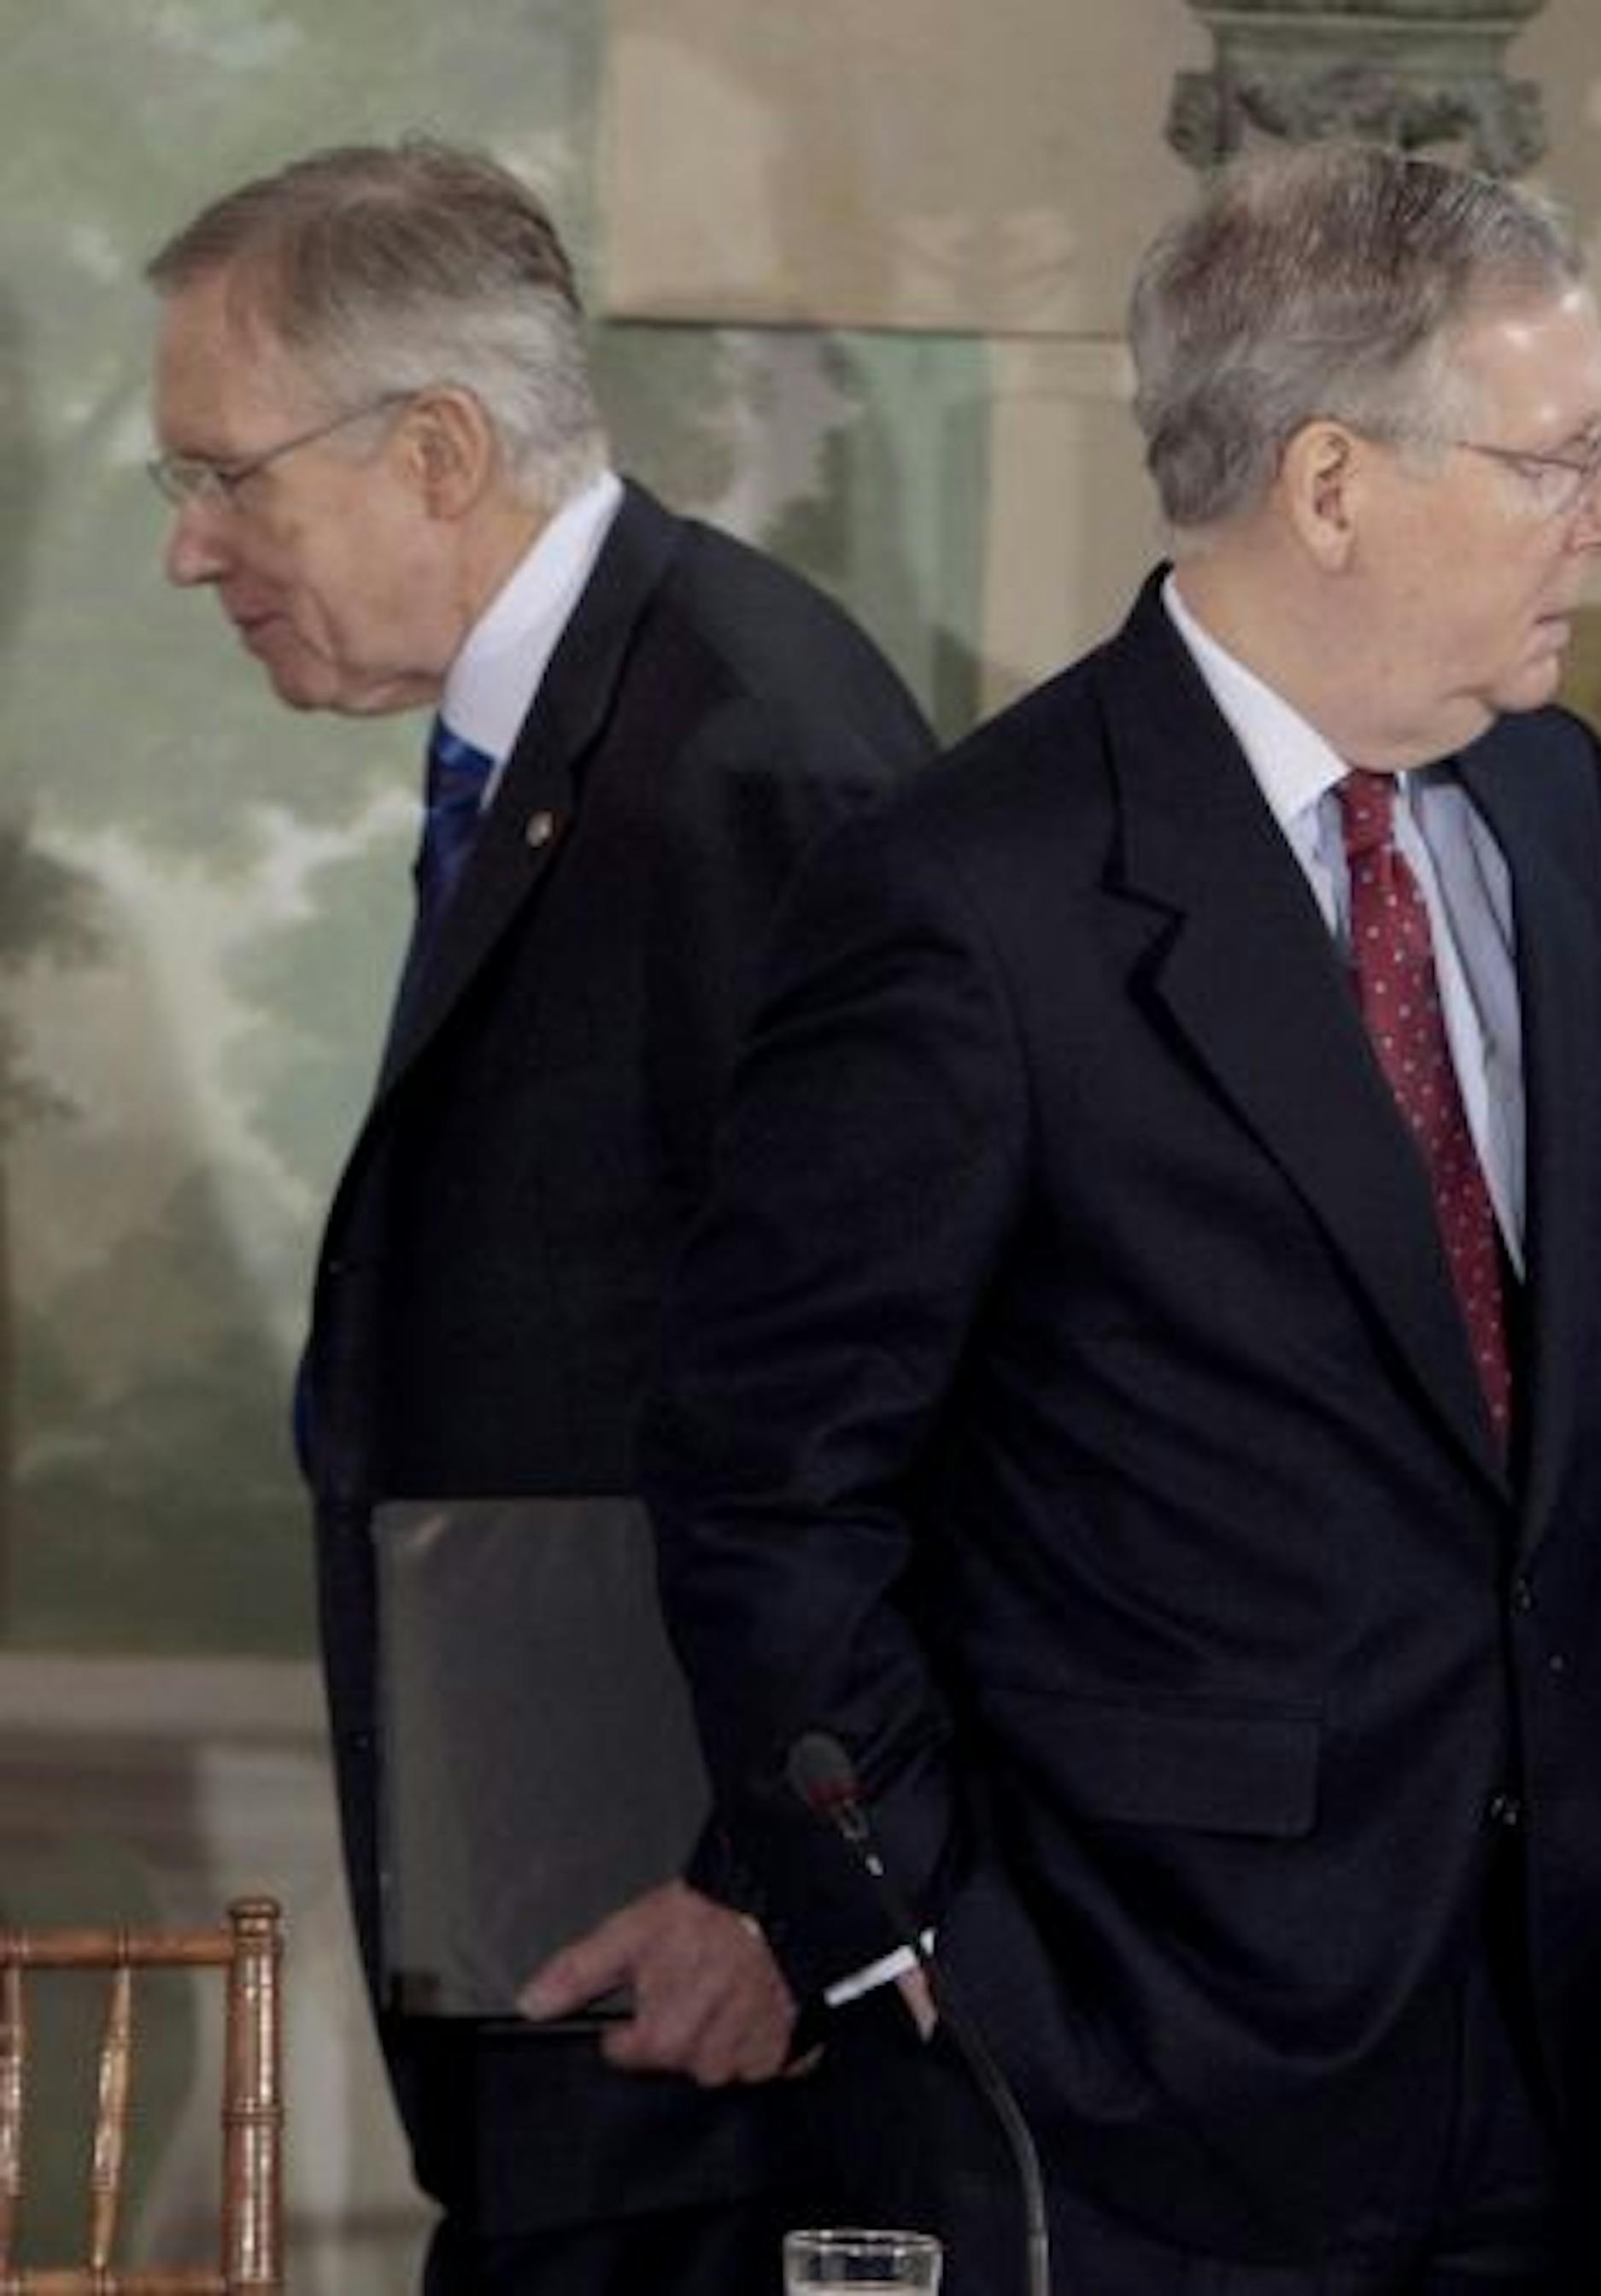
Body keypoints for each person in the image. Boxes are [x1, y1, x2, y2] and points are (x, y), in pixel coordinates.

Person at [639, 141, 1601, 2294]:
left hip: (1551, 2032)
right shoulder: (966, 901)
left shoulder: (1549, 797)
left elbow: (1553, 1386)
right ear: (1331, 484)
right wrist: (899, 1936)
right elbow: (773, 1482)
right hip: (1138, 2081)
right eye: (1563, 458)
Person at [145, 139, 935, 2295]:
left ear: (437, 448)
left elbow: (911, 1384)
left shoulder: (748, 754)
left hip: (690, 1977)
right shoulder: (587, 717)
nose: (190, 548)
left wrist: (777, 1883)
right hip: (561, 1927)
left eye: (226, 481)